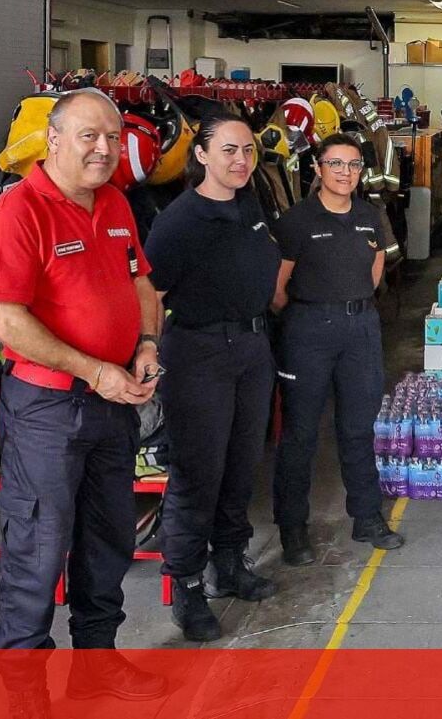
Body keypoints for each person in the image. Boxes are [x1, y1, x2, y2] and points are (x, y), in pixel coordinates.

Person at [0, 89, 166, 712]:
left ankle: (96, 666)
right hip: (48, 410)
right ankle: (26, 696)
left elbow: (140, 281)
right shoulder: (18, 211)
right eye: (89, 135)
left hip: (113, 404)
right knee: (36, 550)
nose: (104, 149)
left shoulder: (114, 202)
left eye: (112, 137)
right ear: (53, 139)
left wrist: (145, 343)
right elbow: (6, 322)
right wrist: (93, 370)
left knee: (107, 541)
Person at [145, 112, 281, 641]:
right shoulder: (179, 221)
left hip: (251, 348)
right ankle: (187, 588)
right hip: (199, 353)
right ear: (201, 155)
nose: (241, 160)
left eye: (247, 150)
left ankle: (229, 565)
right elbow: (151, 296)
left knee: (241, 465)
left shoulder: (250, 203)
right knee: (198, 473)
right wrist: (147, 350)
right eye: (228, 150)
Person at [272, 134, 403, 566]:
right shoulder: (296, 221)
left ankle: (367, 516)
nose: (345, 173)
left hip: (360, 327)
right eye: (335, 164)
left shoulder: (369, 215)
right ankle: (293, 528)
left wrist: (354, 303)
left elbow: (376, 267)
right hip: (308, 329)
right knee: (301, 433)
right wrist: (313, 311)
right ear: (317, 168)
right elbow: (277, 289)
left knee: (359, 428)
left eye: (353, 165)